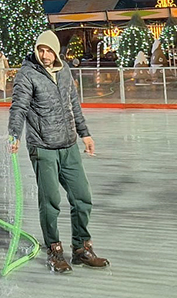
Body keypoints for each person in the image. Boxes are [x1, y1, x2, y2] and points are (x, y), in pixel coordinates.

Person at [9, 30, 108, 273]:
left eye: (49, 50)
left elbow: (73, 104)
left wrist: (85, 134)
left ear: (56, 51)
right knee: (50, 201)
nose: (44, 55)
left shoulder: (64, 71)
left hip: (68, 144)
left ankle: (81, 248)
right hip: (43, 147)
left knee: (82, 198)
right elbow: (18, 107)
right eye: (41, 50)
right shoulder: (27, 75)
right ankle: (54, 250)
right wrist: (14, 134)